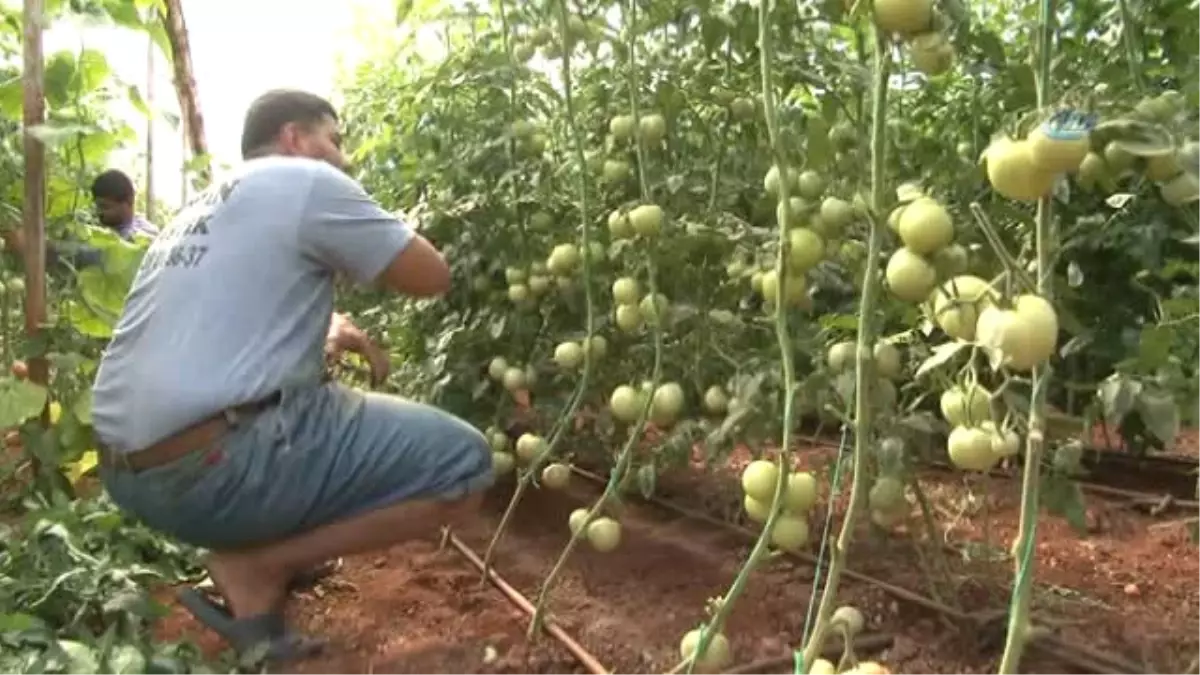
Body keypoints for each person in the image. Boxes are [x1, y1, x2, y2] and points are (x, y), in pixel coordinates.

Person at [90, 89, 494, 662]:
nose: (343, 157)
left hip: (128, 471)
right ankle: (256, 566)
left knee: (310, 402)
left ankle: (260, 554)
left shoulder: (199, 208)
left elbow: (237, 324)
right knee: (464, 465)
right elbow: (430, 274)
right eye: (335, 139)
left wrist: (330, 325)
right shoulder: (307, 182)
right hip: (211, 470)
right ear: (293, 139)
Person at [2, 168, 159, 268]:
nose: (99, 213)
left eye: (105, 207)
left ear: (128, 202)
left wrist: (38, 247)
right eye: (97, 206)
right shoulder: (111, 231)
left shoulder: (142, 235)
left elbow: (97, 254)